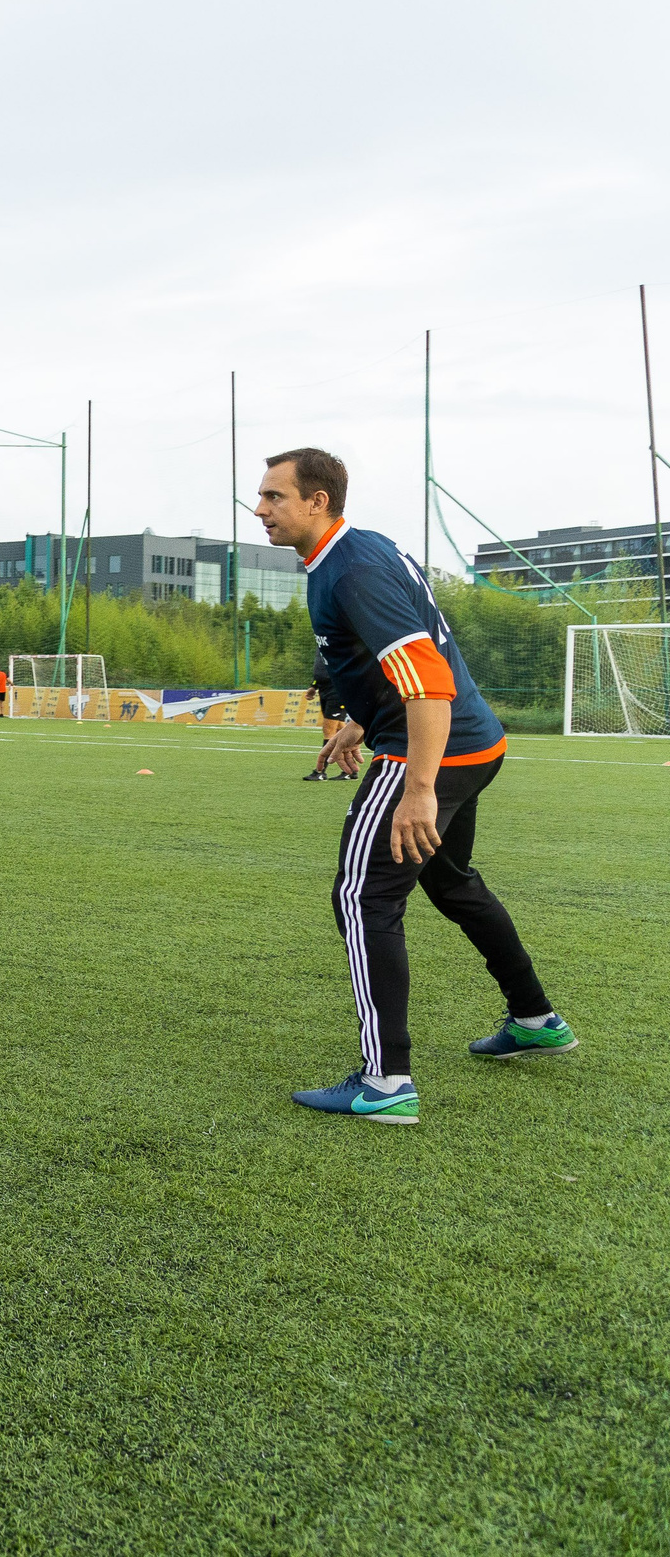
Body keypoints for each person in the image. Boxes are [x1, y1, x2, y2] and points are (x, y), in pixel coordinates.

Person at [254, 447, 571, 1127]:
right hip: (476, 741)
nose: (261, 509)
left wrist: (417, 786)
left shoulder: (353, 570)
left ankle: (386, 1080)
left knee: (362, 895)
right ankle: (536, 1017)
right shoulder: (360, 550)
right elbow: (389, 660)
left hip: (431, 749)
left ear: (318, 500)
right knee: (454, 883)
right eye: (262, 496)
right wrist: (358, 723)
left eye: (275, 497)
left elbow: (427, 679)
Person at [303, 678, 357, 782]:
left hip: (337, 692)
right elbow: (320, 672)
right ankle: (351, 771)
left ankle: (320, 772)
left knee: (329, 731)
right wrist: (314, 686)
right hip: (325, 692)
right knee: (341, 730)